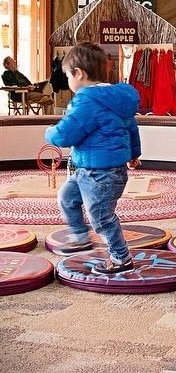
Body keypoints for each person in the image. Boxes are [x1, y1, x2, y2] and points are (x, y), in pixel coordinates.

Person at [45, 42, 141, 275]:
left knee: (102, 218)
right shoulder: (117, 99)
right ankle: (80, 237)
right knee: (67, 197)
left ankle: (121, 259)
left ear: (79, 73)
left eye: (68, 76)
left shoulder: (87, 100)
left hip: (100, 173)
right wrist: (134, 154)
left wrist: (50, 133)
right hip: (91, 170)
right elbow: (131, 128)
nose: (68, 81)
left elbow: (68, 133)